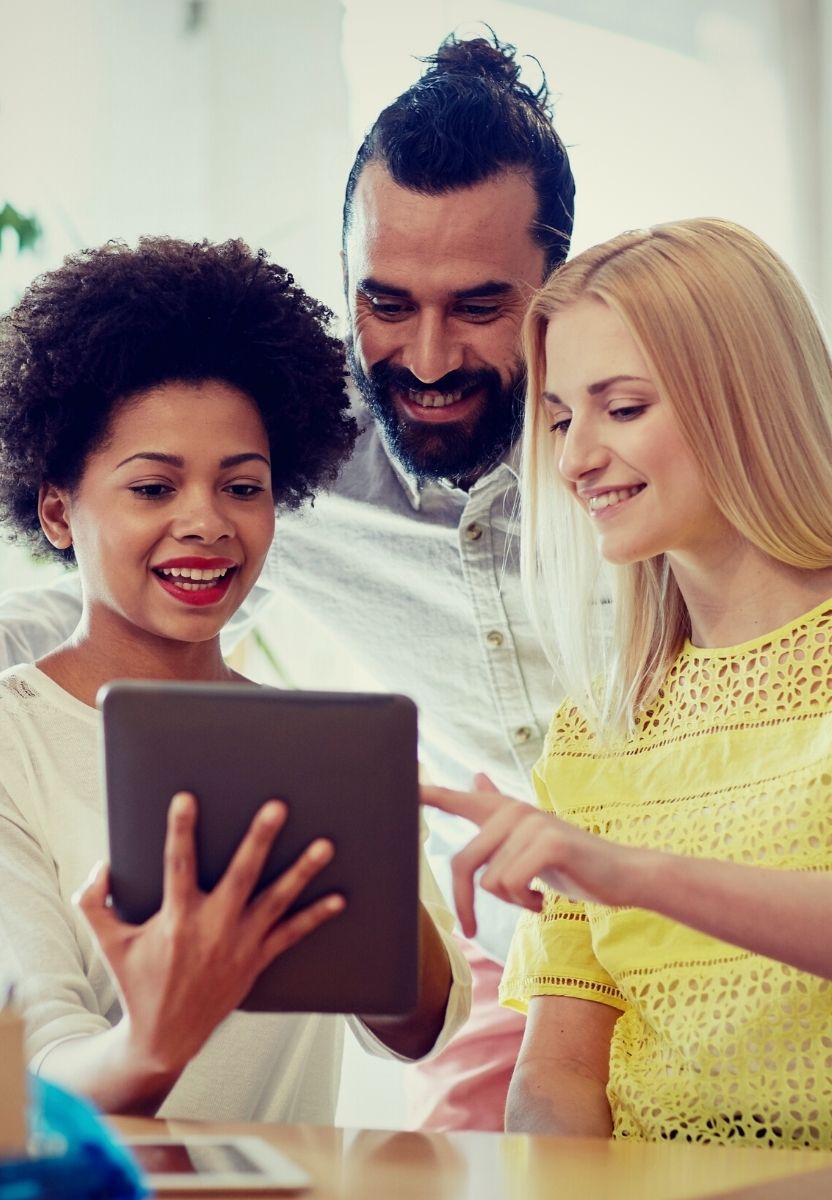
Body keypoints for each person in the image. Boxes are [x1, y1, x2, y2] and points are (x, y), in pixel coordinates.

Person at [0, 31, 575, 1129]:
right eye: (389, 302)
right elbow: (88, 613)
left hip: (663, 911)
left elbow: (412, 1013)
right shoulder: (302, 459)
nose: (431, 355)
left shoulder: (625, 441)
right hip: (518, 972)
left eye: (480, 307)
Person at [0, 235, 469, 1121]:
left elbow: (420, 1029)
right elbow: (33, 1087)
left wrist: (362, 850)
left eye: (242, 487)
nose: (206, 523)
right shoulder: (13, 740)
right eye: (152, 489)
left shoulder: (322, 747)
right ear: (59, 510)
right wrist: (155, 1038)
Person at [424, 217, 832, 1148]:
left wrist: (630, 874)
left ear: (748, 399)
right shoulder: (598, 734)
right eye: (562, 417)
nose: (573, 459)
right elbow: (560, 1076)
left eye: (624, 407)